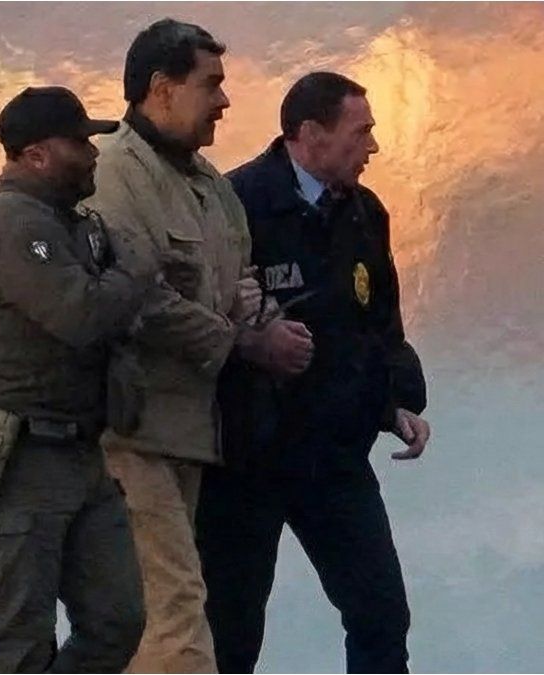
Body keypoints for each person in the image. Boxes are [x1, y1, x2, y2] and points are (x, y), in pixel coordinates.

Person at [83, 20, 316, 673]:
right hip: (130, 435)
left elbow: (240, 281)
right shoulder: (113, 175)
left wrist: (270, 325)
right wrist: (242, 341)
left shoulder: (212, 188)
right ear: (162, 88)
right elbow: (137, 296)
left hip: (191, 436)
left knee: (151, 620)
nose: (224, 101)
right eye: (210, 84)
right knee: (176, 612)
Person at [197, 71, 430, 674]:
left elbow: (380, 323)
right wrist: (253, 342)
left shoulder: (364, 212)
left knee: (381, 615)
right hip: (246, 458)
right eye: (361, 132)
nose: (373, 147)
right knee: (230, 634)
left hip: (333, 456)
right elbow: (192, 318)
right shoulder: (236, 203)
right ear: (310, 133)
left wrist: (396, 401)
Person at [0, 85, 147, 673]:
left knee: (117, 620)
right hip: (16, 458)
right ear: (36, 154)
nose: (93, 154)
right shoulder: (15, 223)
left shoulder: (65, 222)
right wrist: (136, 271)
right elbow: (80, 315)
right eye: (79, 142)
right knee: (18, 645)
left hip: (75, 449)